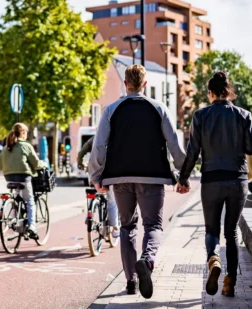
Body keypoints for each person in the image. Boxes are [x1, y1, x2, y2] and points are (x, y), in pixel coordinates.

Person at [89, 64, 185, 299]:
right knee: (153, 225)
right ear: (145, 84)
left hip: (120, 177)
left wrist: (96, 176)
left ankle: (131, 280)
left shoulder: (111, 110)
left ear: (125, 83)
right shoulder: (158, 108)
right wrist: (183, 173)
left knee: (127, 226)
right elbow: (173, 144)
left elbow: (99, 146)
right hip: (152, 177)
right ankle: (147, 261)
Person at [177, 71, 252, 297]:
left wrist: (182, 179)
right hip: (237, 179)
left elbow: (192, 152)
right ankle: (229, 281)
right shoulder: (244, 115)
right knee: (231, 232)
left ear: (210, 93)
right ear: (228, 91)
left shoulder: (201, 116)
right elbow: (251, 148)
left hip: (211, 179)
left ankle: (213, 259)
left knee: (211, 228)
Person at [0, 123, 45, 238]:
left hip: (9, 178)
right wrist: (43, 165)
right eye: (26, 133)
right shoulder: (26, 146)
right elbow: (36, 163)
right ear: (23, 133)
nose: (26, 135)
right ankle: (32, 227)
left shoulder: (6, 147)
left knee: (17, 198)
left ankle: (14, 218)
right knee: (29, 201)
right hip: (24, 177)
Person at [77, 135, 119, 239]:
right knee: (112, 200)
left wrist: (82, 165)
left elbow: (81, 153)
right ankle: (115, 227)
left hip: (93, 171)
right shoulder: (114, 137)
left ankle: (89, 215)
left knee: (93, 193)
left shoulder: (93, 138)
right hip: (109, 172)